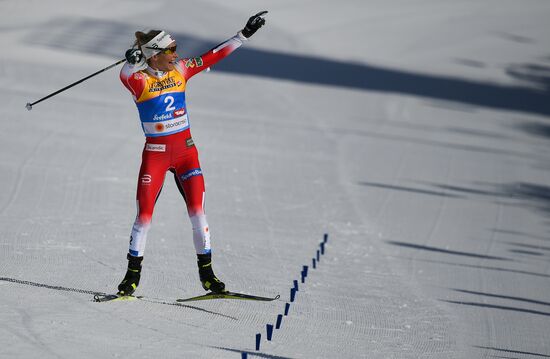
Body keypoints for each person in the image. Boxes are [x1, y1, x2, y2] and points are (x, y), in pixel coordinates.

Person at [116, 11, 267, 296]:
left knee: (198, 214)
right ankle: (131, 277)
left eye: (175, 49)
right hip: (157, 155)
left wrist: (244, 34)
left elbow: (213, 55)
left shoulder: (182, 69)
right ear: (155, 55)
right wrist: (130, 62)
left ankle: (208, 276)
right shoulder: (140, 82)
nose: (176, 54)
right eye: (170, 50)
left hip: (186, 154)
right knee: (144, 216)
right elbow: (124, 75)